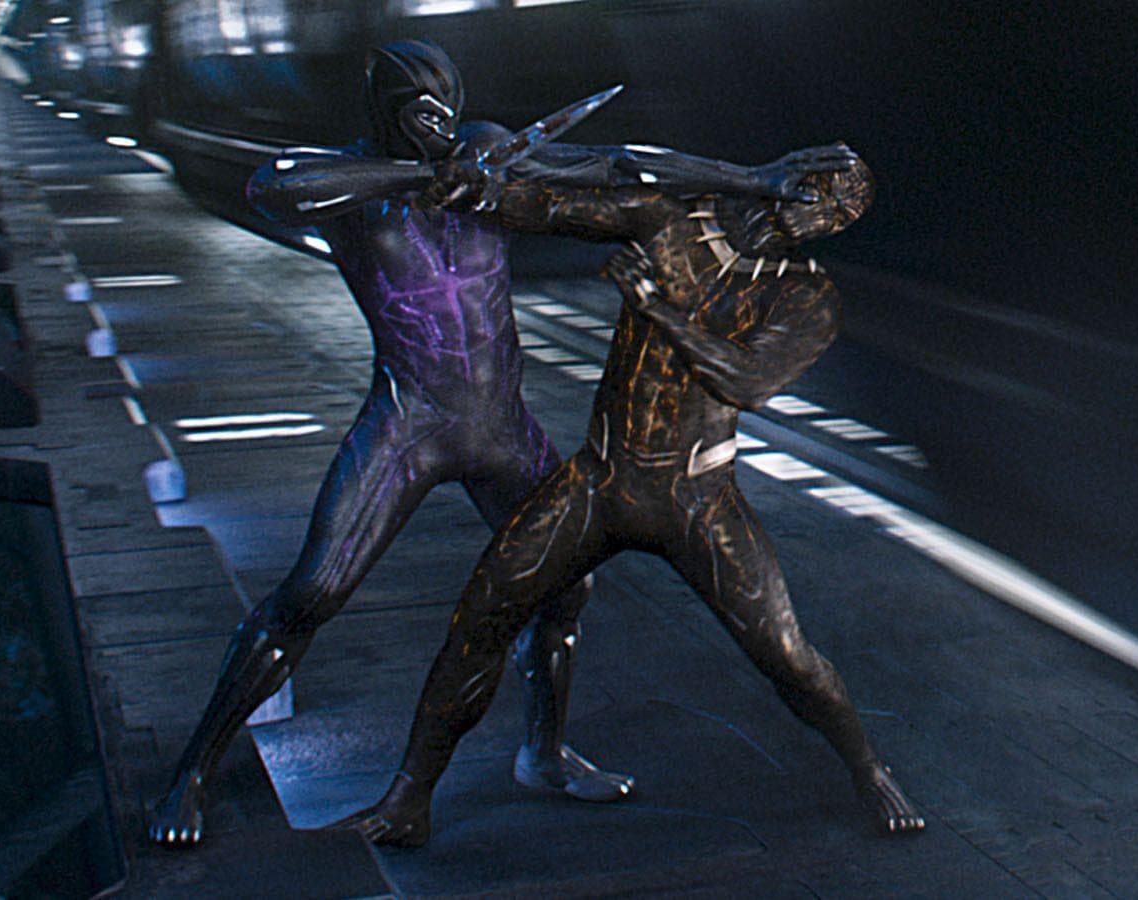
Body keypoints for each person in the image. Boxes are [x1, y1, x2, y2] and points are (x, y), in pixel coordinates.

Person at [149, 38, 850, 845]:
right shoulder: (352, 180)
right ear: (385, 114)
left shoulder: (483, 148)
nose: (437, 127)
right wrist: (418, 176)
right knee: (311, 593)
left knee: (567, 591)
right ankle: (192, 773)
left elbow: (619, 162)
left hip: (502, 427)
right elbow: (273, 186)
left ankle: (542, 753)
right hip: (410, 424)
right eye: (419, 115)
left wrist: (754, 178)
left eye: (444, 110)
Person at [337, 143, 926, 848]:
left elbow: (745, 382)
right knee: (483, 614)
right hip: (602, 480)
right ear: (787, 172)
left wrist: (657, 308)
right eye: (820, 190)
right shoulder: (672, 221)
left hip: (696, 499)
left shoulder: (805, 296)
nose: (822, 211)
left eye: (841, 210)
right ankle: (409, 795)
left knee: (788, 656)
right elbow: (558, 206)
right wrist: (483, 193)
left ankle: (869, 768)